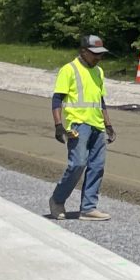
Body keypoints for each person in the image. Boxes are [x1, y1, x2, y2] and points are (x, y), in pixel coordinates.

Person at [49, 35, 117, 222]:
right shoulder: (69, 70)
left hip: (97, 125)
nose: (98, 58)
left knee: (96, 166)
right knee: (77, 164)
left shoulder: (98, 72)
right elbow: (57, 99)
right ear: (83, 51)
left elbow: (100, 101)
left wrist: (108, 124)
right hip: (78, 125)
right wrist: (58, 125)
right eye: (94, 54)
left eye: (101, 54)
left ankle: (88, 208)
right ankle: (57, 200)